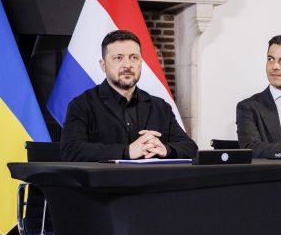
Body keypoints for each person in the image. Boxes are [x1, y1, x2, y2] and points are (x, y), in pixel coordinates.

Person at [61, 29, 198, 162]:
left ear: (140, 63)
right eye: (118, 58)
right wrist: (127, 151)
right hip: (106, 183)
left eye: (134, 58)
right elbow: (71, 150)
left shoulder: (160, 106)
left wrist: (166, 150)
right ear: (103, 65)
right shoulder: (82, 104)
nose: (127, 65)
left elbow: (190, 148)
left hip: (153, 182)